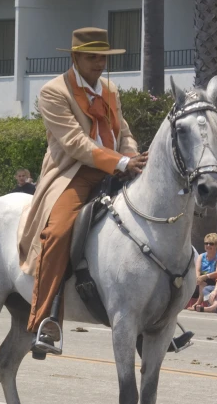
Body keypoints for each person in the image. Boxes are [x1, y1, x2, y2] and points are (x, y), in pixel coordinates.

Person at [17, 27, 145, 355]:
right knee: (59, 232)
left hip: (119, 167)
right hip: (74, 174)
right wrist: (120, 163)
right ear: (75, 57)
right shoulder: (53, 91)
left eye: (103, 57)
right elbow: (75, 143)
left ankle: (159, 312)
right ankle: (46, 319)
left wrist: (132, 156)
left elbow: (124, 132)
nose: (100, 63)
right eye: (92, 57)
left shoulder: (110, 90)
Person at [191, 233, 217, 308]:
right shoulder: (201, 256)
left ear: (216, 245)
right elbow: (197, 270)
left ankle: (199, 302)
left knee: (203, 283)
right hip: (202, 279)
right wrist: (198, 278)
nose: (208, 245)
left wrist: (205, 277)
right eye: (206, 243)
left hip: (213, 279)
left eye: (211, 244)